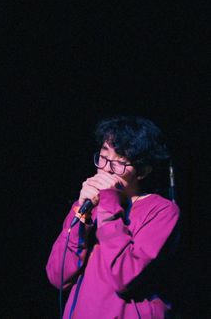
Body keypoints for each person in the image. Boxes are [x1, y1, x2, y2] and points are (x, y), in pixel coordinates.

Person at [46, 116, 180, 318]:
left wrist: (109, 202)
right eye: (103, 157)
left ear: (142, 171)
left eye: (119, 162)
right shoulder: (87, 205)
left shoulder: (161, 211)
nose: (106, 168)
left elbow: (125, 277)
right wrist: (83, 215)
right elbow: (58, 276)